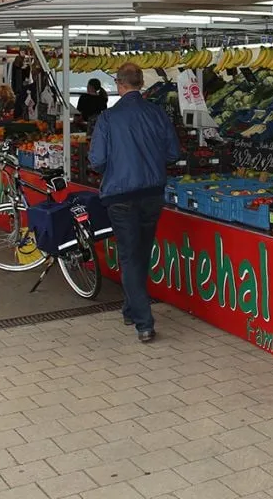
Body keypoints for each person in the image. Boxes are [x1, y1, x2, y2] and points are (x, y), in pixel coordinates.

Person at [88, 63, 181, 342]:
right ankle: (131, 309)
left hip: (120, 195)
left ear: (119, 84)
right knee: (140, 252)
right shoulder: (157, 113)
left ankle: (143, 322)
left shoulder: (108, 118)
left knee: (130, 255)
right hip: (152, 192)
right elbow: (173, 152)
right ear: (141, 83)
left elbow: (97, 160)